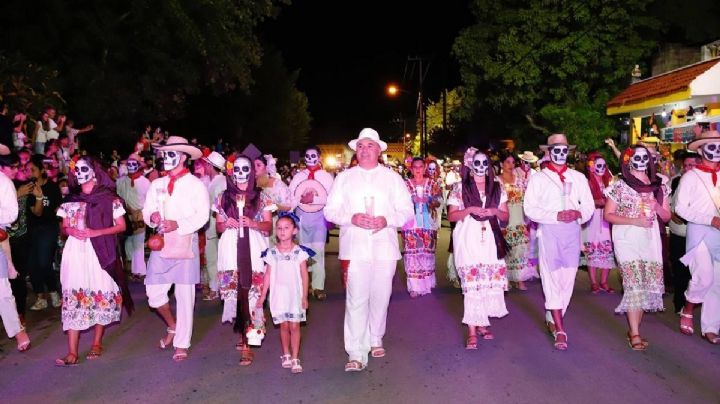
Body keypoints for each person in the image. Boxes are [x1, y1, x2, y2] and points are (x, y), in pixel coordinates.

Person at [324, 128, 413, 372]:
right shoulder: (344, 178)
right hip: (355, 247)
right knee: (356, 299)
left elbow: (407, 211)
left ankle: (375, 337)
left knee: (381, 297)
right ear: (356, 150)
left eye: (369, 145)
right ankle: (355, 351)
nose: (364, 150)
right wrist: (351, 218)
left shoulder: (392, 178)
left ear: (379, 150)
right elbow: (330, 211)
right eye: (360, 146)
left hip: (384, 247)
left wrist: (387, 220)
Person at [54, 156, 133, 366]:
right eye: (76, 170)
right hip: (75, 251)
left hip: (100, 250)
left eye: (83, 169)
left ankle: (97, 343)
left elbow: (121, 226)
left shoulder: (108, 199)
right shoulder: (71, 199)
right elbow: (64, 226)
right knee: (73, 293)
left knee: (98, 290)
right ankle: (72, 352)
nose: (78, 174)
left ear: (94, 172)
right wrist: (70, 229)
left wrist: (95, 232)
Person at [524, 134, 594, 350]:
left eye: (565, 150)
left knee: (568, 279)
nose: (561, 154)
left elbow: (589, 206)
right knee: (551, 277)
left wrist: (577, 213)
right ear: (549, 152)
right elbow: (530, 209)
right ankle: (560, 329)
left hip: (572, 233)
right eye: (557, 149)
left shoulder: (578, 177)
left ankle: (552, 315)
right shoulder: (538, 178)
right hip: (550, 232)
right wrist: (555, 216)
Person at [142, 136, 209, 362]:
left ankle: (182, 342)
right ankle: (173, 326)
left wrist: (178, 224)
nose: (165, 158)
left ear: (183, 157)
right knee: (154, 293)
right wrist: (152, 217)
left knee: (184, 296)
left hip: (184, 245)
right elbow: (147, 210)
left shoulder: (196, 185)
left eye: (171, 154)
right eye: (164, 154)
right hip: (161, 246)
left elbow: (202, 216)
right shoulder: (156, 184)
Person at [604, 146, 670, 350]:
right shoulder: (620, 186)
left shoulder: (659, 185)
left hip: (650, 239)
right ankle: (634, 332)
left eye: (645, 157)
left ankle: (634, 328)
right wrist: (634, 221)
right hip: (626, 238)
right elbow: (608, 215)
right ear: (628, 160)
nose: (641, 160)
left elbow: (667, 216)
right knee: (634, 284)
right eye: (637, 157)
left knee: (645, 285)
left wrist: (656, 205)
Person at [447, 148, 509, 349]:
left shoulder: (497, 187)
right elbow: (452, 216)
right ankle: (472, 330)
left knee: (487, 281)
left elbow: (505, 217)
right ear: (471, 165)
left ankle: (483, 323)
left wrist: (494, 211)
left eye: (485, 163)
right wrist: (469, 210)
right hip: (468, 237)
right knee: (472, 283)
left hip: (491, 238)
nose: (481, 167)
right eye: (477, 163)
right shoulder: (460, 187)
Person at [214, 154, 272, 365]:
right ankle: (244, 336)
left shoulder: (262, 197)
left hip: (254, 247)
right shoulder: (222, 197)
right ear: (231, 172)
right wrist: (226, 223)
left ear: (252, 171)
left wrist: (253, 224)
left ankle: (248, 342)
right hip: (230, 248)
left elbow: (268, 226)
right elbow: (218, 226)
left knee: (252, 295)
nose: (240, 174)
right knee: (237, 295)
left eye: (245, 169)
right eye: (236, 169)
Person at [676, 130, 720, 345]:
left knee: (718, 283)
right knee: (704, 276)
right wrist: (709, 220)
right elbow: (681, 209)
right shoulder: (690, 177)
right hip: (700, 233)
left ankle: (710, 327)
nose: (717, 150)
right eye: (711, 146)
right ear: (701, 150)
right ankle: (688, 307)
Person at [256, 213, 312, 374]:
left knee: (294, 326)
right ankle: (286, 353)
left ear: (294, 231)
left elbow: (304, 275)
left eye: (286, 228)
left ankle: (295, 357)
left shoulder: (300, 252)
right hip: (278, 296)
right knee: (284, 326)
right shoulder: (271, 253)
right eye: (279, 228)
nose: (282, 231)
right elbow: (267, 275)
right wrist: (262, 296)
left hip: (295, 295)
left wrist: (304, 297)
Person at [288, 146, 334, 300]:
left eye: (313, 155)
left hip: (319, 218)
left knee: (318, 251)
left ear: (319, 157)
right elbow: (290, 196)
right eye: (307, 156)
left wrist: (314, 199)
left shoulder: (326, 177)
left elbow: (332, 199)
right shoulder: (299, 176)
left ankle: (318, 286)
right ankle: (304, 285)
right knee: (303, 252)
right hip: (302, 218)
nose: (310, 159)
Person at [0, 146, 31, 353]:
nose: (16, 171)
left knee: (2, 289)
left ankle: (18, 331)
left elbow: (11, 215)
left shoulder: (4, 183)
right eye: (13, 167)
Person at [401, 158, 441, 298]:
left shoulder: (432, 183)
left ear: (424, 168)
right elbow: (399, 203)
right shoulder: (405, 185)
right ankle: (414, 286)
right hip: (411, 223)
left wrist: (428, 200)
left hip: (428, 222)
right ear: (411, 169)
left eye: (420, 167)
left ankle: (427, 282)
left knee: (426, 252)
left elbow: (439, 201)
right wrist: (411, 201)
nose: (418, 169)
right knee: (412, 253)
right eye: (415, 167)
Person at [498, 151, 538, 290]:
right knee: (506, 248)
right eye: (507, 162)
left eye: (512, 162)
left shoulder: (519, 180)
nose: (510, 165)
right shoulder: (497, 181)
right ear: (501, 164)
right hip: (504, 217)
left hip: (519, 216)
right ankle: (506, 278)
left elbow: (527, 198)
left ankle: (519, 278)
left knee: (520, 248)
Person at [27, 154, 62, 311]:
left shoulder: (53, 187)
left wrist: (61, 233)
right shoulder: (28, 188)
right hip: (32, 229)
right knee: (32, 264)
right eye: (28, 170)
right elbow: (36, 212)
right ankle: (40, 296)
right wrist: (38, 197)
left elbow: (59, 210)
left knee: (44, 262)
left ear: (41, 170)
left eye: (33, 170)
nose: (30, 173)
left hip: (49, 228)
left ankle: (54, 291)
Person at [668, 151, 700, 313]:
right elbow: (667, 203)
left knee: (695, 272)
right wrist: (671, 214)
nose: (687, 168)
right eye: (685, 165)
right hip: (677, 235)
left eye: (691, 165)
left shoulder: (703, 185)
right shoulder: (675, 181)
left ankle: (691, 304)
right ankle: (680, 303)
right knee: (679, 269)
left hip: (696, 237)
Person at [582, 152, 616, 293]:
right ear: (591, 167)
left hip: (607, 218)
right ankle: (594, 282)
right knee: (593, 250)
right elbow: (582, 200)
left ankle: (604, 282)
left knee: (606, 249)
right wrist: (596, 202)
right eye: (598, 165)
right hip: (593, 217)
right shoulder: (586, 181)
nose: (602, 168)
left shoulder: (609, 180)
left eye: (603, 165)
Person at [116, 153, 150, 280]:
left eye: (133, 163)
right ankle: (130, 268)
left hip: (139, 215)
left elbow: (149, 200)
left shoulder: (145, 182)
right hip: (125, 215)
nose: (131, 165)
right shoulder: (121, 181)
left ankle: (139, 271)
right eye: (128, 163)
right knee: (128, 243)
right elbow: (117, 196)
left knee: (138, 243)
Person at [202, 151, 227, 301]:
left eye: (207, 163)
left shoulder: (221, 182)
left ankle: (219, 288)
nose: (205, 166)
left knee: (218, 258)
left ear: (211, 166)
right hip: (212, 227)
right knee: (213, 258)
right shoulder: (210, 181)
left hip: (218, 226)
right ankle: (216, 288)